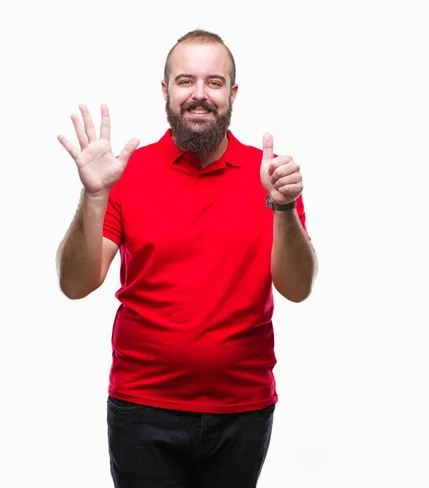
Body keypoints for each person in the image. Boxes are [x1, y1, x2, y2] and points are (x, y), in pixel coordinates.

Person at [55, 28, 317, 488]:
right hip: (142, 409)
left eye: (214, 82)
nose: (199, 95)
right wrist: (93, 195)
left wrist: (281, 207)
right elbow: (76, 284)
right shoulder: (127, 173)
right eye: (185, 81)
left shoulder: (270, 175)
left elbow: (297, 289)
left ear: (232, 94)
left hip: (243, 410)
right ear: (166, 91)